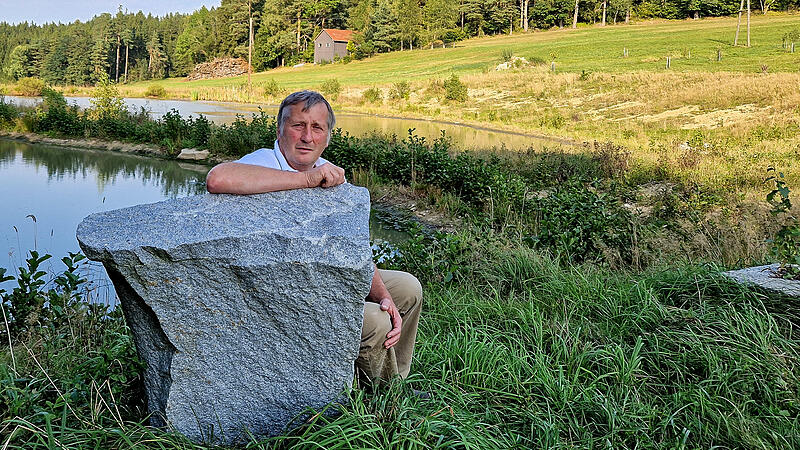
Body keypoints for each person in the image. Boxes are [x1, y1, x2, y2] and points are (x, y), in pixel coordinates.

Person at [206, 90, 422, 384]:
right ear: (281, 129)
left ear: (328, 136)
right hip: (283, 295)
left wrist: (383, 295)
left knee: (407, 289)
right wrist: (305, 181)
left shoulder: (328, 172)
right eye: (298, 125)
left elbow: (350, 245)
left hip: (328, 277)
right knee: (374, 320)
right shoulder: (265, 162)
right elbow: (218, 179)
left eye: (317, 127)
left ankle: (393, 377)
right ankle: (383, 397)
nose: (307, 136)